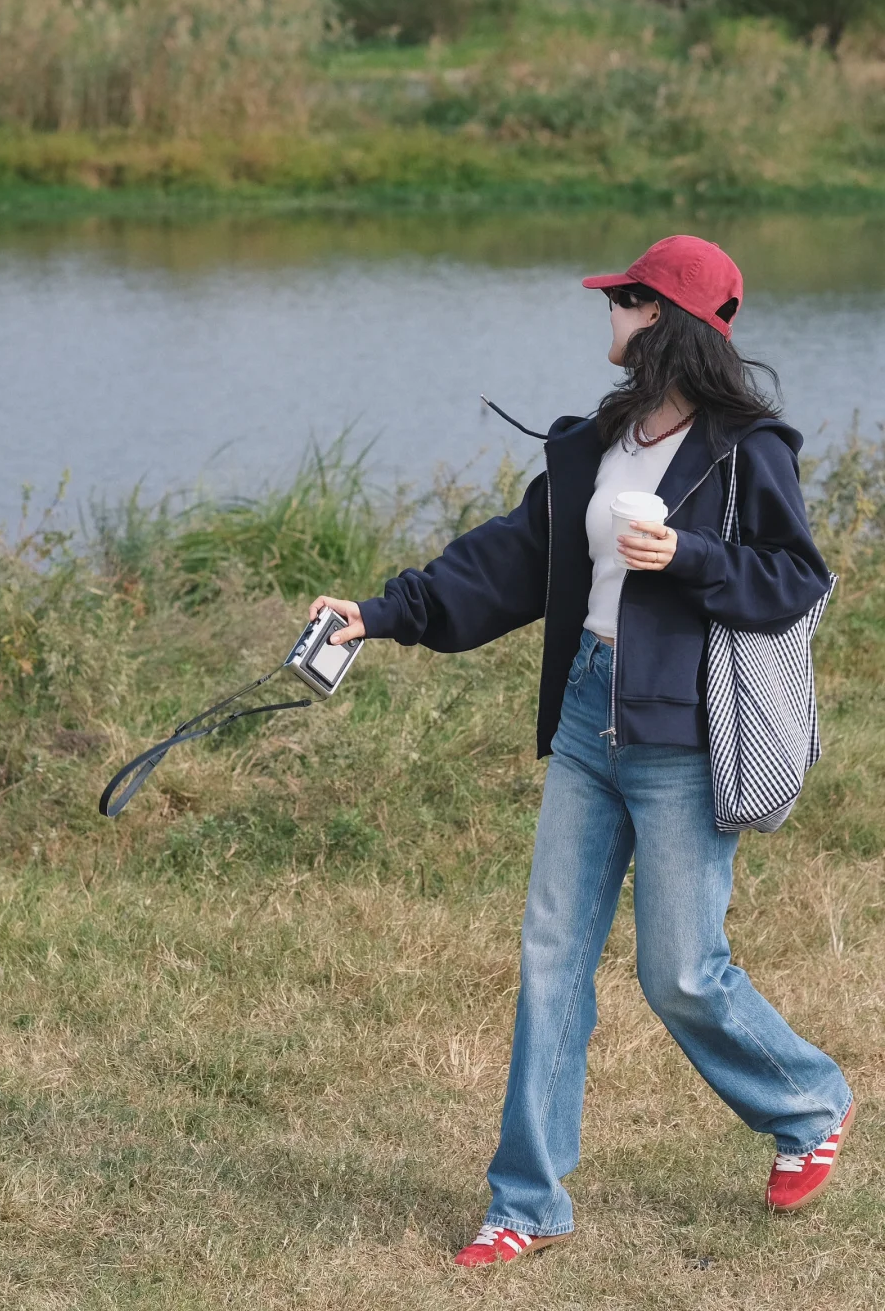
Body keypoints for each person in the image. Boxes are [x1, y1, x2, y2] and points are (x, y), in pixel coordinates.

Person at [308, 235, 854, 1268]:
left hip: (683, 738)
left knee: (681, 971)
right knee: (551, 959)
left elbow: (794, 582)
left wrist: (688, 557)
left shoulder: (748, 448)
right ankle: (527, 1202)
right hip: (587, 721)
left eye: (624, 300)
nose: (608, 313)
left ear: (662, 319)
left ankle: (809, 1101)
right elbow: (507, 564)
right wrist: (378, 616)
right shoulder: (599, 440)